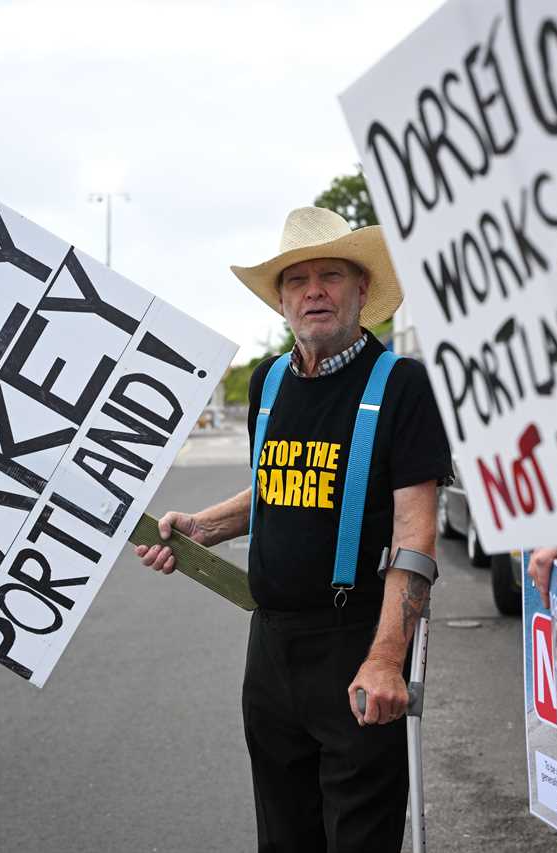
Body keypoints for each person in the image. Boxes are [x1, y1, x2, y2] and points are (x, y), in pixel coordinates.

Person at [133, 206, 451, 852]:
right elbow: (276, 486)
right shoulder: (268, 381)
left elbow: (417, 533)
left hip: (355, 648)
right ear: (279, 299)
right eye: (297, 279)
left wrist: (387, 659)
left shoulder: (403, 386)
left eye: (330, 274)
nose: (314, 291)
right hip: (270, 653)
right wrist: (201, 525)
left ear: (362, 290)